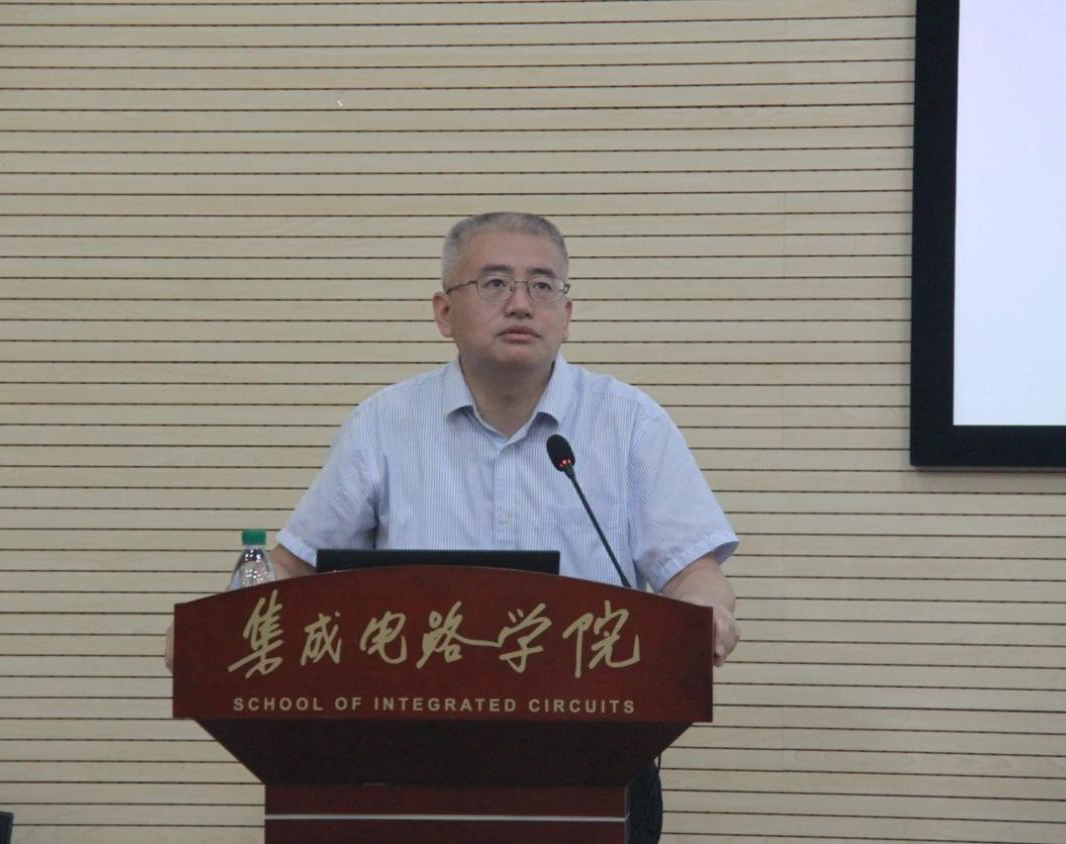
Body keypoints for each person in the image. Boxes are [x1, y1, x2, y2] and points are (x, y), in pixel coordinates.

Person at [167, 212, 740, 843]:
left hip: (597, 759)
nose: (521, 303)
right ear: (444, 313)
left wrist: (706, 613)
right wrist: (215, 633)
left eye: (543, 285)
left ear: (567, 314)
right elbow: (292, 568)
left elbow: (693, 573)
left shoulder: (630, 424)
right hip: (402, 763)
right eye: (495, 283)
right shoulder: (384, 425)